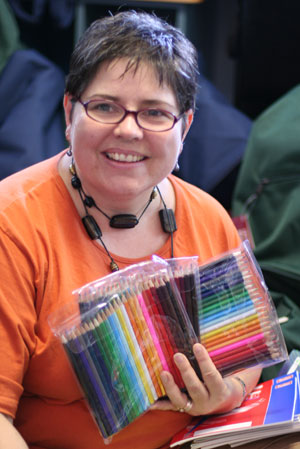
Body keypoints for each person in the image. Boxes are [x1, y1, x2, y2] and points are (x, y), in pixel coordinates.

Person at [0, 11, 262, 449]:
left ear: (186, 126)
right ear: (69, 111)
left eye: (156, 113)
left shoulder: (209, 216)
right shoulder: (13, 224)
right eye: (105, 106)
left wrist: (226, 392)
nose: (128, 130)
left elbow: (244, 356)